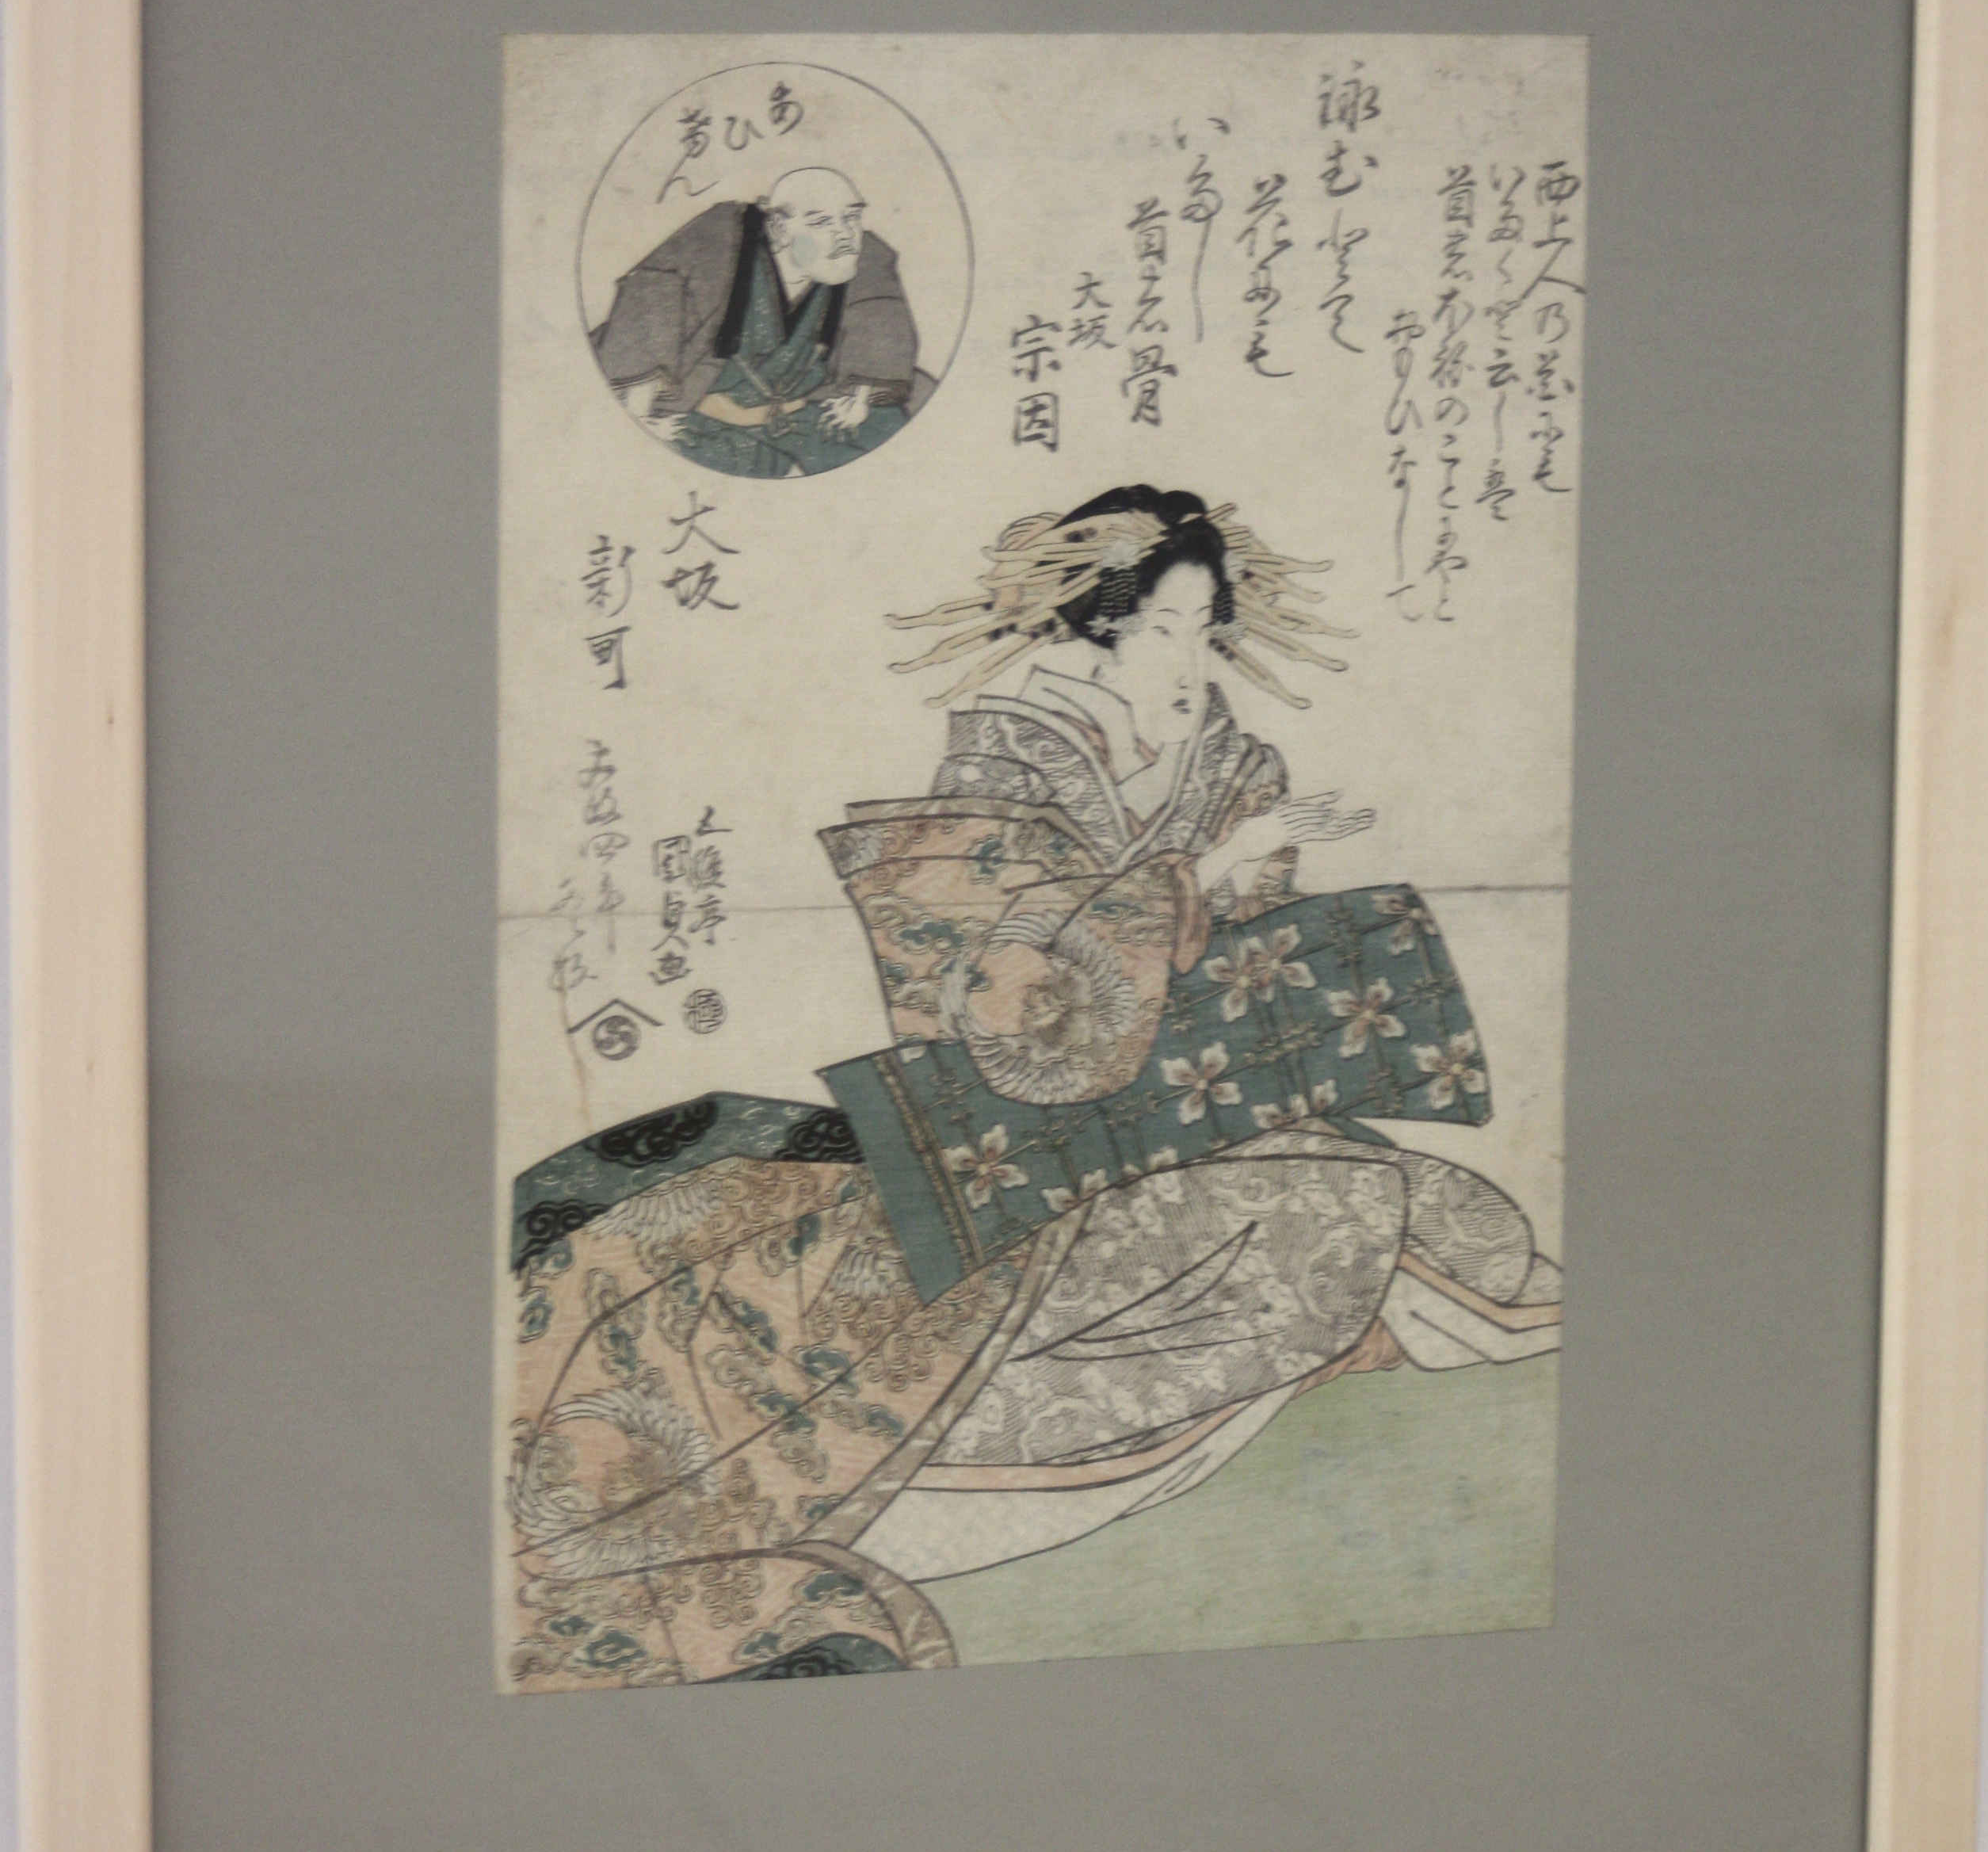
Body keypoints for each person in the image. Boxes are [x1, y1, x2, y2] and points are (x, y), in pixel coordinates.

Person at [504, 487, 1563, 1687]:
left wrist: (1267, 923)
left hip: (1191, 1104)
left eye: (1203, 630)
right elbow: (998, 996)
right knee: (1268, 1230)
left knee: (1416, 1212)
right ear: (1096, 628)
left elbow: (1246, 960)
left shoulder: (1232, 761)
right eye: (1162, 629)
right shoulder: (1005, 753)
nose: (1187, 659)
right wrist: (1208, 869)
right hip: (1022, 1131)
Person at [589, 164, 929, 477]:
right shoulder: (720, 239)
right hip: (698, 415)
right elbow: (652, 294)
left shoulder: (861, 256)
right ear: (779, 228)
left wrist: (860, 398)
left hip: (804, 414)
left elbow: (879, 316)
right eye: (821, 222)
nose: (845, 235)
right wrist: (641, 414)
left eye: (851, 218)